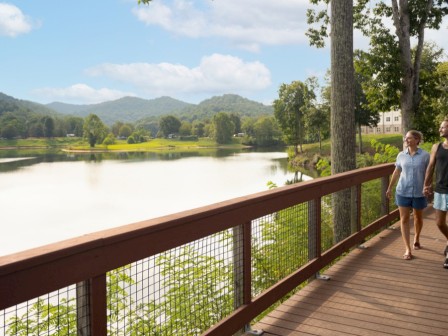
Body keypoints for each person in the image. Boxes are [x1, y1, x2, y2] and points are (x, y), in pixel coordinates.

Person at [386, 130, 429, 260]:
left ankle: (416, 237)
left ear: (417, 140)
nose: (406, 140)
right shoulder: (401, 155)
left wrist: (428, 186)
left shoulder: (425, 156)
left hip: (419, 192)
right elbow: (396, 171)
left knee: (418, 218)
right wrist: (389, 188)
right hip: (402, 191)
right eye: (406, 138)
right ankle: (407, 249)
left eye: (409, 138)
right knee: (404, 219)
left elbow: (429, 173)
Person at [423, 118, 448, 268]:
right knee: (439, 223)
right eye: (440, 127)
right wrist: (426, 184)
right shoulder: (436, 146)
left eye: (443, 127)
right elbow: (431, 167)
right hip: (440, 189)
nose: (440, 129)